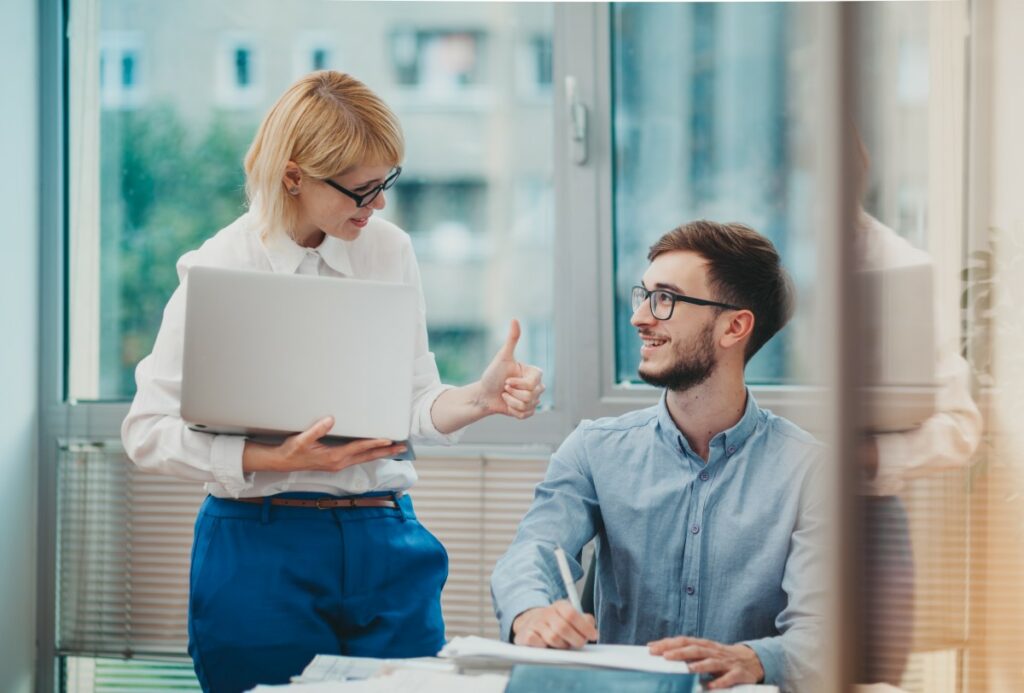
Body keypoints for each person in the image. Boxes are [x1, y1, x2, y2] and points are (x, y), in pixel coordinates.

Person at [121, 71, 545, 693]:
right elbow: (146, 432)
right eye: (362, 190)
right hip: (260, 542)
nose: (378, 206)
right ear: (294, 176)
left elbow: (411, 401)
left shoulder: (388, 249)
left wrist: (480, 399)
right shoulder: (221, 264)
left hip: (386, 536)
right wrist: (273, 457)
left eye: (385, 184)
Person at [491, 221, 825, 692]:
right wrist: (531, 612)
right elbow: (533, 551)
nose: (639, 318)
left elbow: (824, 632)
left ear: (734, 326)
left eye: (665, 299)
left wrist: (755, 658)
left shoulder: (812, 472)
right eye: (643, 296)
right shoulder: (594, 449)